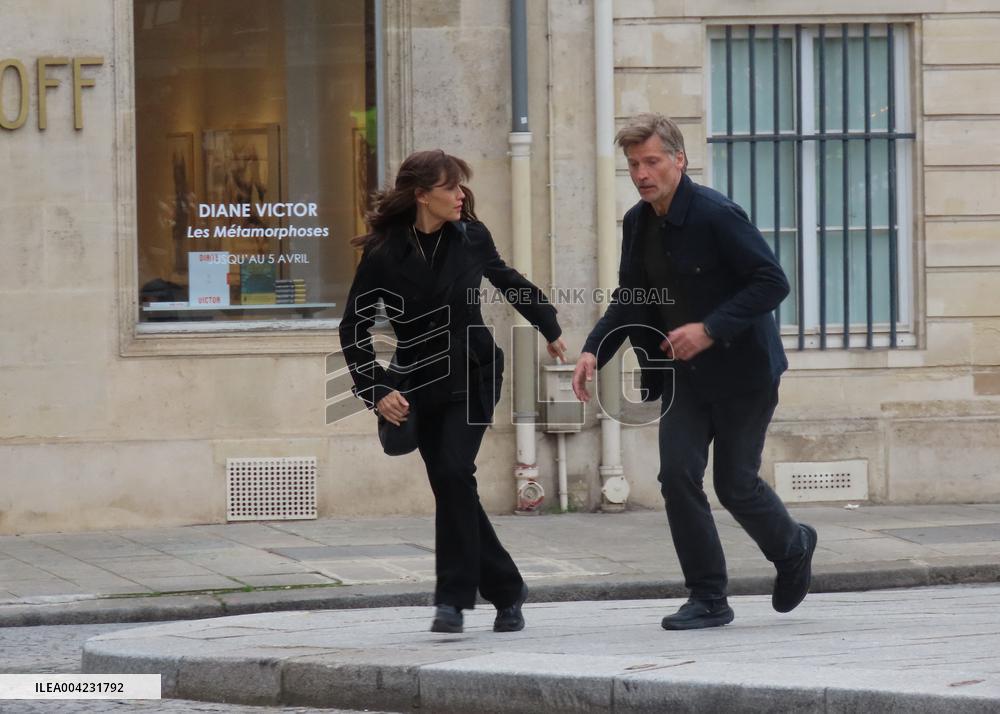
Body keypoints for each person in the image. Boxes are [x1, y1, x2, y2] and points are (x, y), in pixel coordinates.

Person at [571, 113, 817, 630]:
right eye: (634, 164)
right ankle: (708, 596)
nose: (642, 173)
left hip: (744, 373)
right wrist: (595, 348)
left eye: (652, 161)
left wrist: (708, 328)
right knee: (677, 476)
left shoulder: (716, 214)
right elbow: (632, 298)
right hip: (683, 377)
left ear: (679, 160)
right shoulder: (638, 222)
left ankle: (793, 546)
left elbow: (772, 282)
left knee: (735, 485)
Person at [339, 149, 567, 634]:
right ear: (422, 195)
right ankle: (507, 589)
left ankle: (452, 601)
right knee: (453, 485)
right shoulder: (382, 252)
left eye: (461, 186)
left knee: (452, 471)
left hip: (474, 374)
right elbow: (352, 328)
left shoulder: (471, 236)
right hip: (419, 382)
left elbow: (507, 280)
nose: (461, 195)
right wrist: (376, 388)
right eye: (450, 188)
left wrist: (549, 325)